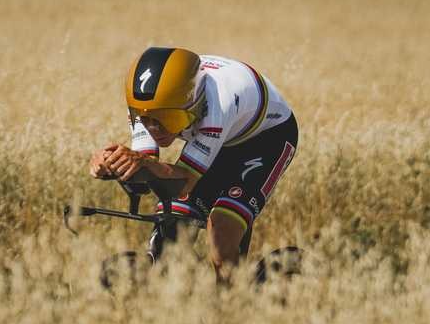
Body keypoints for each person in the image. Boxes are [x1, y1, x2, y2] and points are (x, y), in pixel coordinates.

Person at [89, 46, 298, 275]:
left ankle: (233, 295)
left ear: (195, 103)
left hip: (266, 140)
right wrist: (110, 163)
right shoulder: (147, 105)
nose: (155, 129)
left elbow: (185, 182)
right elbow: (145, 170)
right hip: (221, 136)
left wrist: (142, 164)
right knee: (171, 225)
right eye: (146, 119)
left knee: (222, 233)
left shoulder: (218, 105)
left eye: (169, 118)